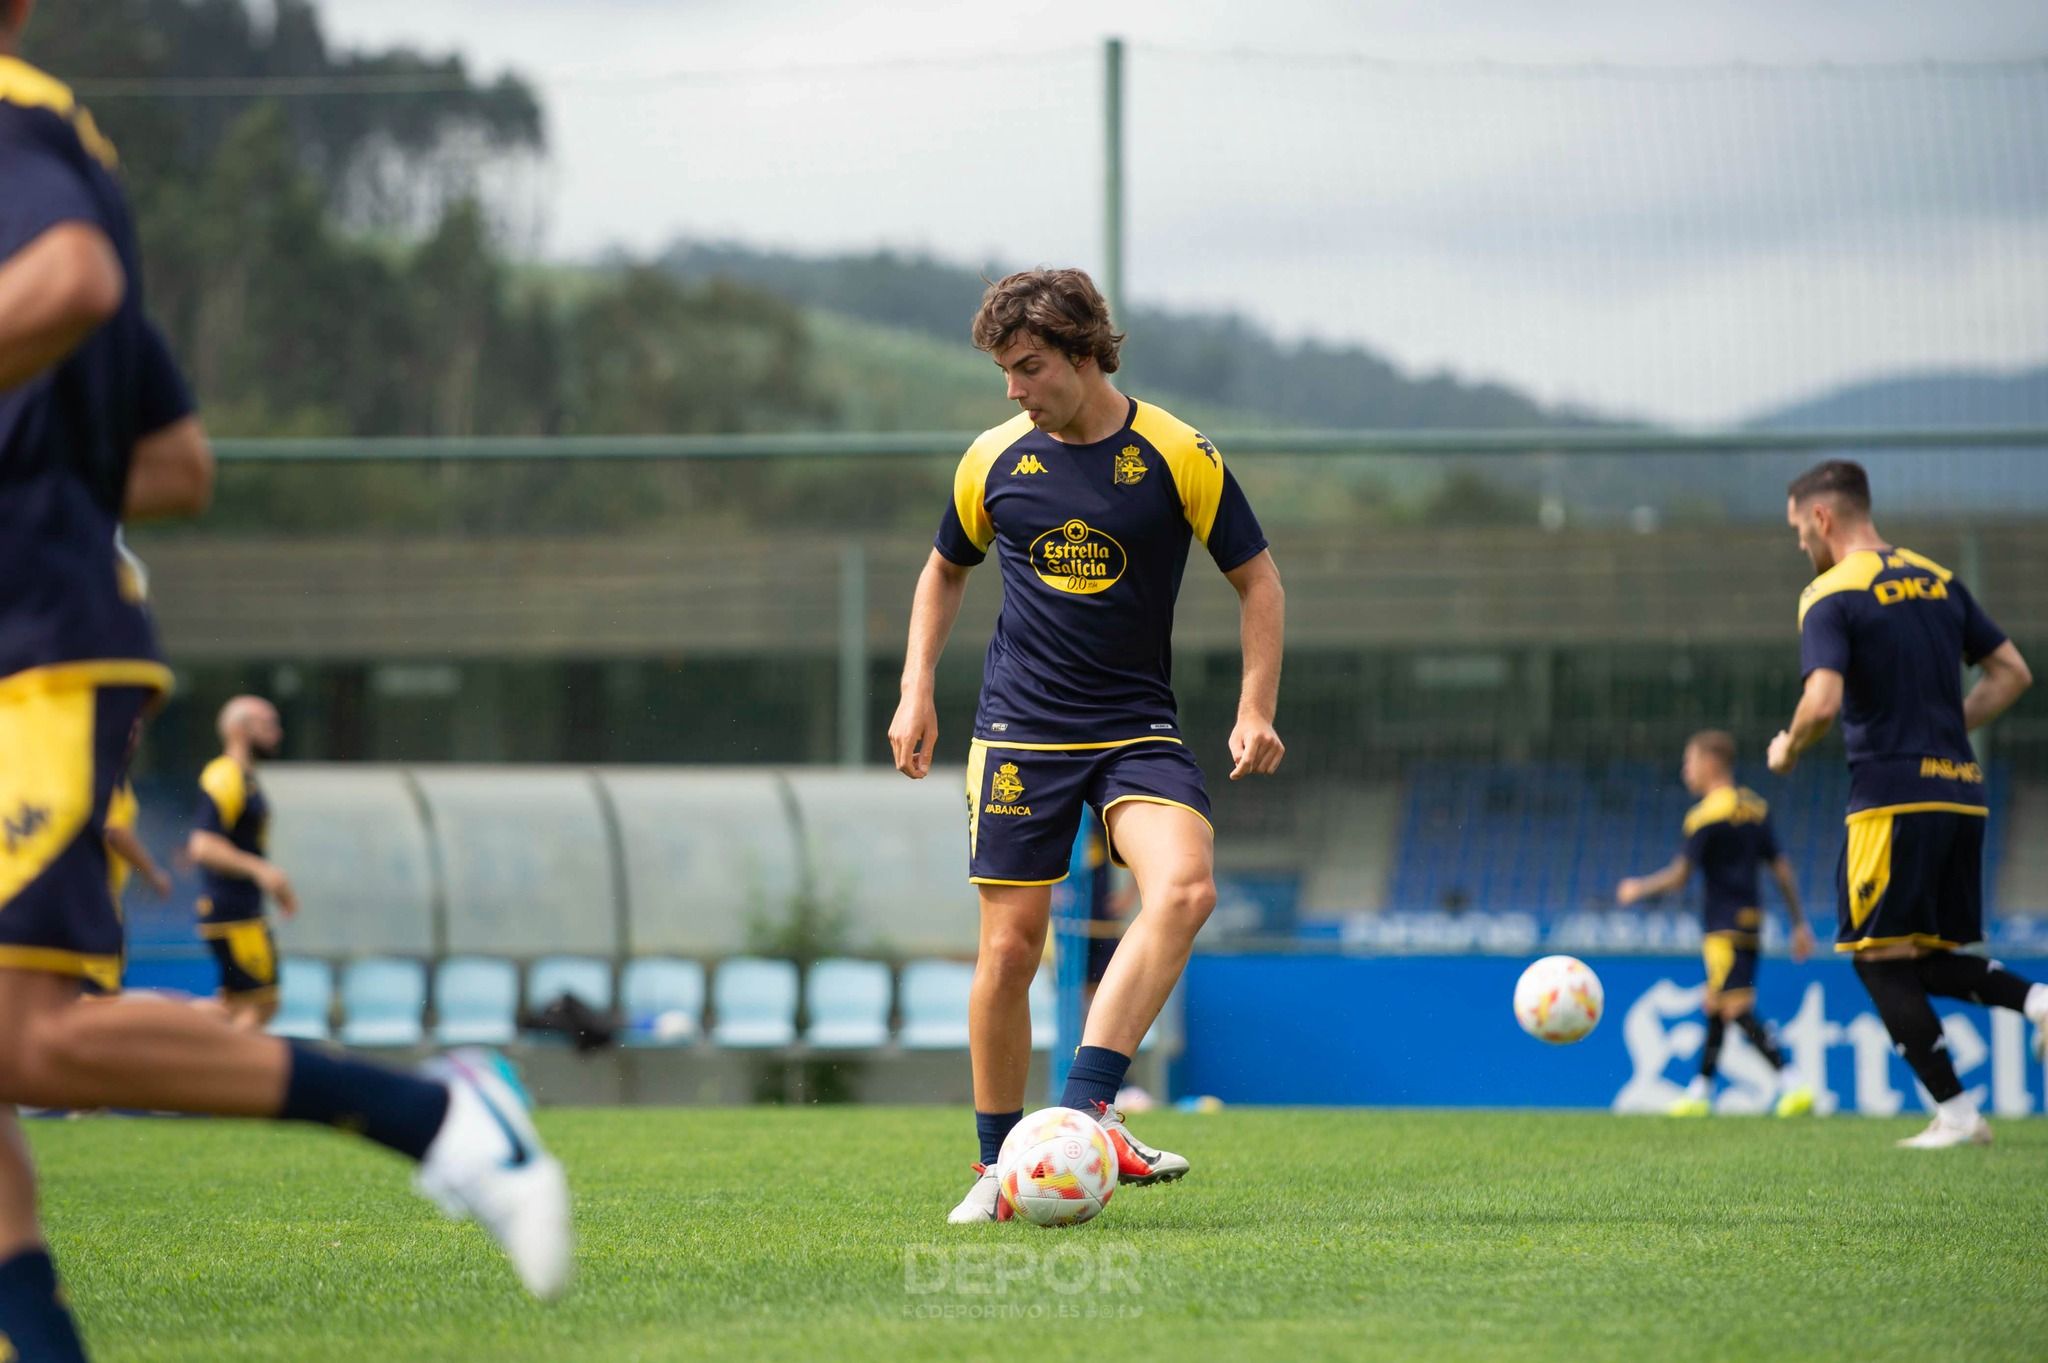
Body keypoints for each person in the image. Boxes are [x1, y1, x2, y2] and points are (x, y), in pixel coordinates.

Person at [0, 15, 568, 1355]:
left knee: (29, 1043)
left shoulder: (15, 127)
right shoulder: (66, 155)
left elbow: (73, 278)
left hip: (32, 654)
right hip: (37, 627)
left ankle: (441, 1117)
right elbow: (175, 458)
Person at [887, 268, 1286, 1223]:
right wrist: (915, 693)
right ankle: (997, 1168)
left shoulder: (1178, 452)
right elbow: (942, 572)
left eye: (1028, 368)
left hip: (1137, 728)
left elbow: (1259, 582)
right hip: (1020, 732)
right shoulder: (992, 458)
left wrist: (1255, 707)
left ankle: (1082, 1113)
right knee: (1010, 950)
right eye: (1004, 372)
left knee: (1186, 887)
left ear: (1082, 353)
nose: (1013, 390)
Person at [1766, 459, 2043, 1148]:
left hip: (1892, 798)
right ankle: (2036, 1003)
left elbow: (1822, 701)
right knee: (1910, 957)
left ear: (1823, 518)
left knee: (1875, 957)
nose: (1803, 543)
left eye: (1801, 529)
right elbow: (2013, 672)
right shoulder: (1938, 578)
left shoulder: (1831, 592)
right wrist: (1950, 729)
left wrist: (1788, 746)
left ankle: (1957, 1113)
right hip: (1961, 792)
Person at [1617, 731, 1816, 1117]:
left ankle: (1792, 1081)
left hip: (1722, 926)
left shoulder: (1705, 816)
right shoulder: (1755, 807)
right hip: (1752, 920)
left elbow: (1678, 877)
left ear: (1710, 763)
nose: (1685, 770)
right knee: (1716, 1002)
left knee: (1734, 1007)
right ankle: (1700, 1090)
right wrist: (1798, 923)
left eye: (1689, 762)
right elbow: (1782, 868)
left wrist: (1638, 888)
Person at [187, 696, 293, 1029]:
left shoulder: (246, 778)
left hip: (241, 911)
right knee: (262, 1003)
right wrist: (260, 870)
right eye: (267, 724)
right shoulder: (225, 774)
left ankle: (170, 1029)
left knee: (234, 1005)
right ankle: (224, 1074)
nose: (277, 733)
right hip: (234, 914)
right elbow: (202, 845)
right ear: (238, 729)